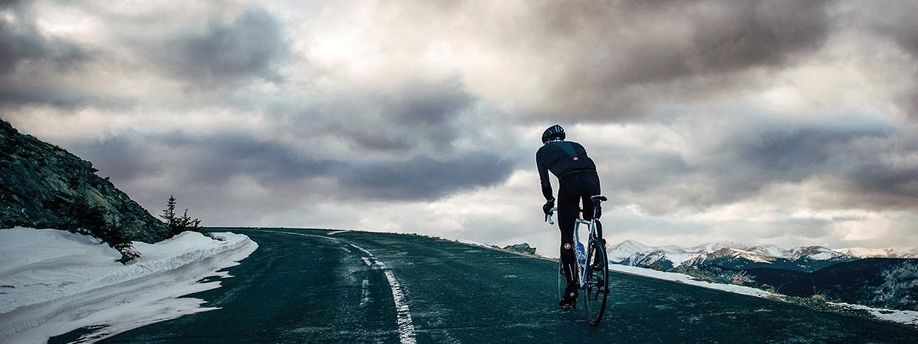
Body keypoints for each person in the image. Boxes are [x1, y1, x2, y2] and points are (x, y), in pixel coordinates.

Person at [536, 124, 602, 309]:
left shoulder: (542, 152)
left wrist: (549, 201)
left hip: (569, 183)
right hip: (592, 180)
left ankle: (571, 289)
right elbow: (585, 167)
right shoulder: (578, 145)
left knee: (566, 235)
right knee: (592, 219)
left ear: (546, 140)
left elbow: (545, 182)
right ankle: (598, 256)